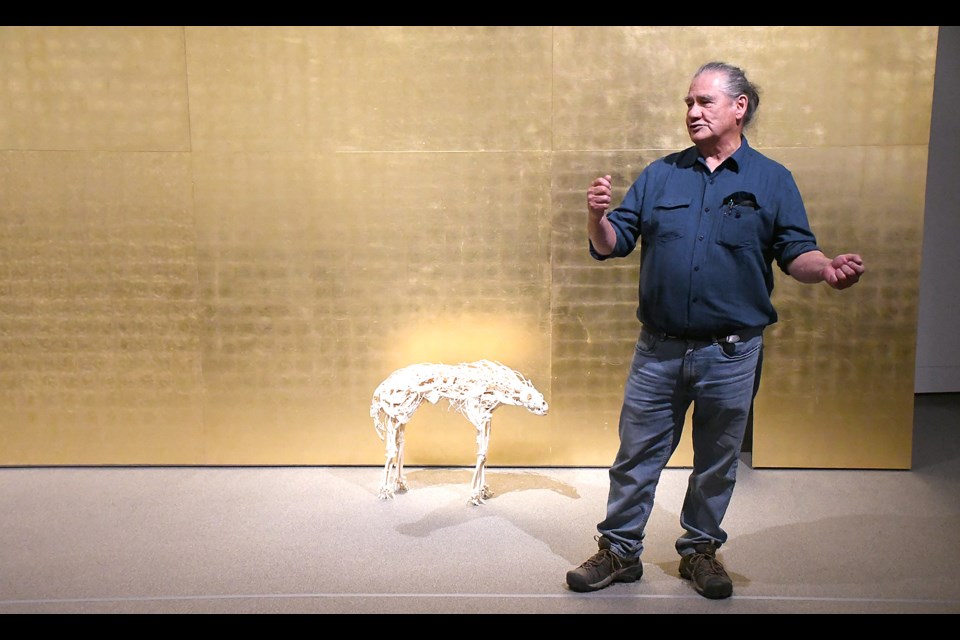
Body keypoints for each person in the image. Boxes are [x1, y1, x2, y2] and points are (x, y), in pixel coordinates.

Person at [565, 61, 865, 600]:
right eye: (688, 104)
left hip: (731, 353)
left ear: (739, 107)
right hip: (657, 350)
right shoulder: (661, 175)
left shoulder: (772, 180)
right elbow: (614, 243)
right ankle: (619, 551)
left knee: (716, 461)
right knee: (635, 456)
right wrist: (597, 218)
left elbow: (796, 251)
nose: (693, 112)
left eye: (704, 102)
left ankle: (699, 550)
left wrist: (825, 270)